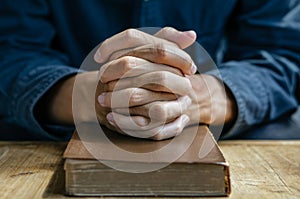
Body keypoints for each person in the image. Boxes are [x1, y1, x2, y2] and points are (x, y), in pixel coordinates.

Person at [0, 0, 299, 140]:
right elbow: (12, 53)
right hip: (60, 124)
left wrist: (191, 97)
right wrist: (97, 96)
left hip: (207, 121)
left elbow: (280, 54)